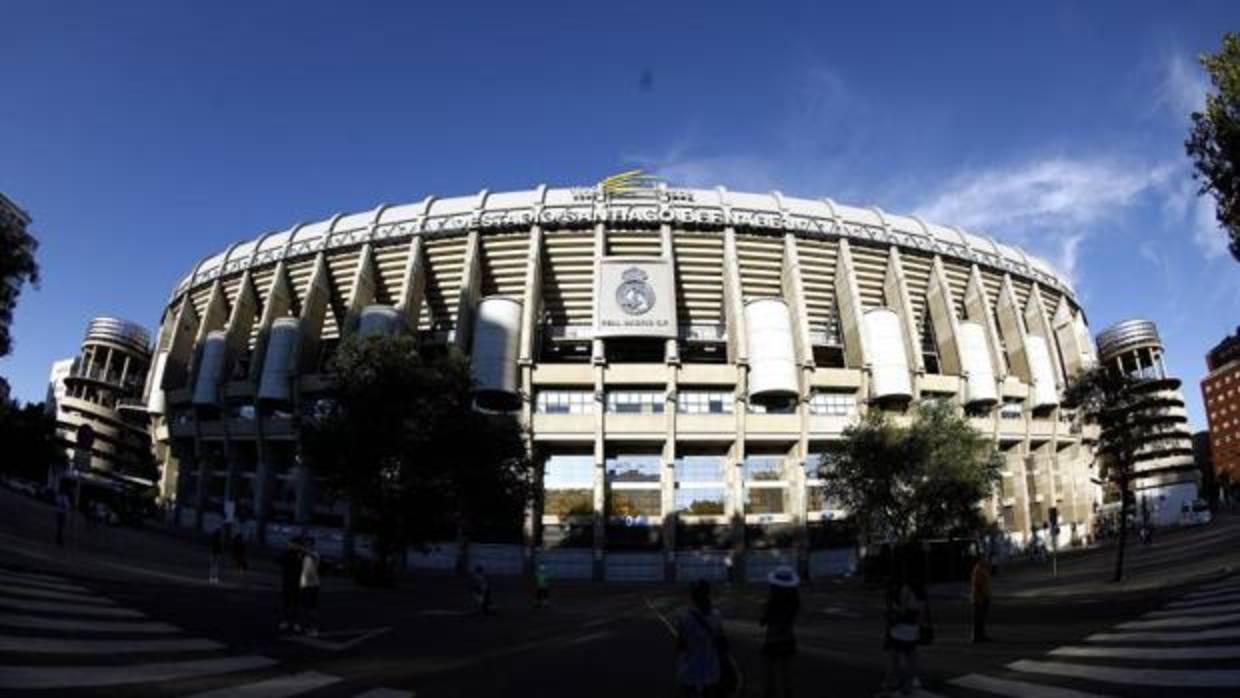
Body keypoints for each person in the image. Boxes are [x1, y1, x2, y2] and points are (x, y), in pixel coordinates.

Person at [673, 580, 736, 698]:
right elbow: (723, 643)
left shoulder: (683, 617)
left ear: (692, 596)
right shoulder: (717, 616)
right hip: (712, 672)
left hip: (689, 670)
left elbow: (680, 645)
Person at [880, 570, 923, 696]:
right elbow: (921, 613)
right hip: (913, 630)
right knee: (911, 659)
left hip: (900, 630)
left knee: (893, 658)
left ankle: (890, 685)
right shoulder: (920, 591)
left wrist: (892, 612)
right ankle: (908, 686)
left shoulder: (905, 589)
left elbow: (903, 611)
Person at [760, 565, 801, 698]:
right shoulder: (794, 599)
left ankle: (770, 693)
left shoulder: (773, 598)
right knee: (786, 670)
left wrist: (763, 616)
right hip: (788, 636)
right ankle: (789, 693)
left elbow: (764, 619)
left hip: (773, 637)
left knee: (769, 669)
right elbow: (793, 615)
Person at [278, 537, 303, 632]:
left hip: (297, 582)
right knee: (287, 603)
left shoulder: (301, 554)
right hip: (288, 581)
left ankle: (295, 622)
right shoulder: (288, 553)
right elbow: (279, 560)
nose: (291, 545)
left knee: (295, 604)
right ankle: (286, 621)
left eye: (293, 544)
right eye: (291, 544)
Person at [299, 537, 321, 637]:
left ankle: (314, 628)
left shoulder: (315, 554)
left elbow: (311, 554)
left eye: (308, 544)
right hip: (305, 584)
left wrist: (300, 548)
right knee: (305, 607)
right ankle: (307, 626)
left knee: (312, 608)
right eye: (306, 544)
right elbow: (304, 570)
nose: (306, 546)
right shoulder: (305, 556)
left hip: (313, 585)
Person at [971, 557, 992, 643]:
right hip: (980, 598)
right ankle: (977, 636)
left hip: (983, 597)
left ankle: (981, 635)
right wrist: (982, 597)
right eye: (984, 560)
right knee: (979, 619)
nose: (986, 561)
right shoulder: (979, 570)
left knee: (982, 619)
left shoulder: (983, 569)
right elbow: (978, 585)